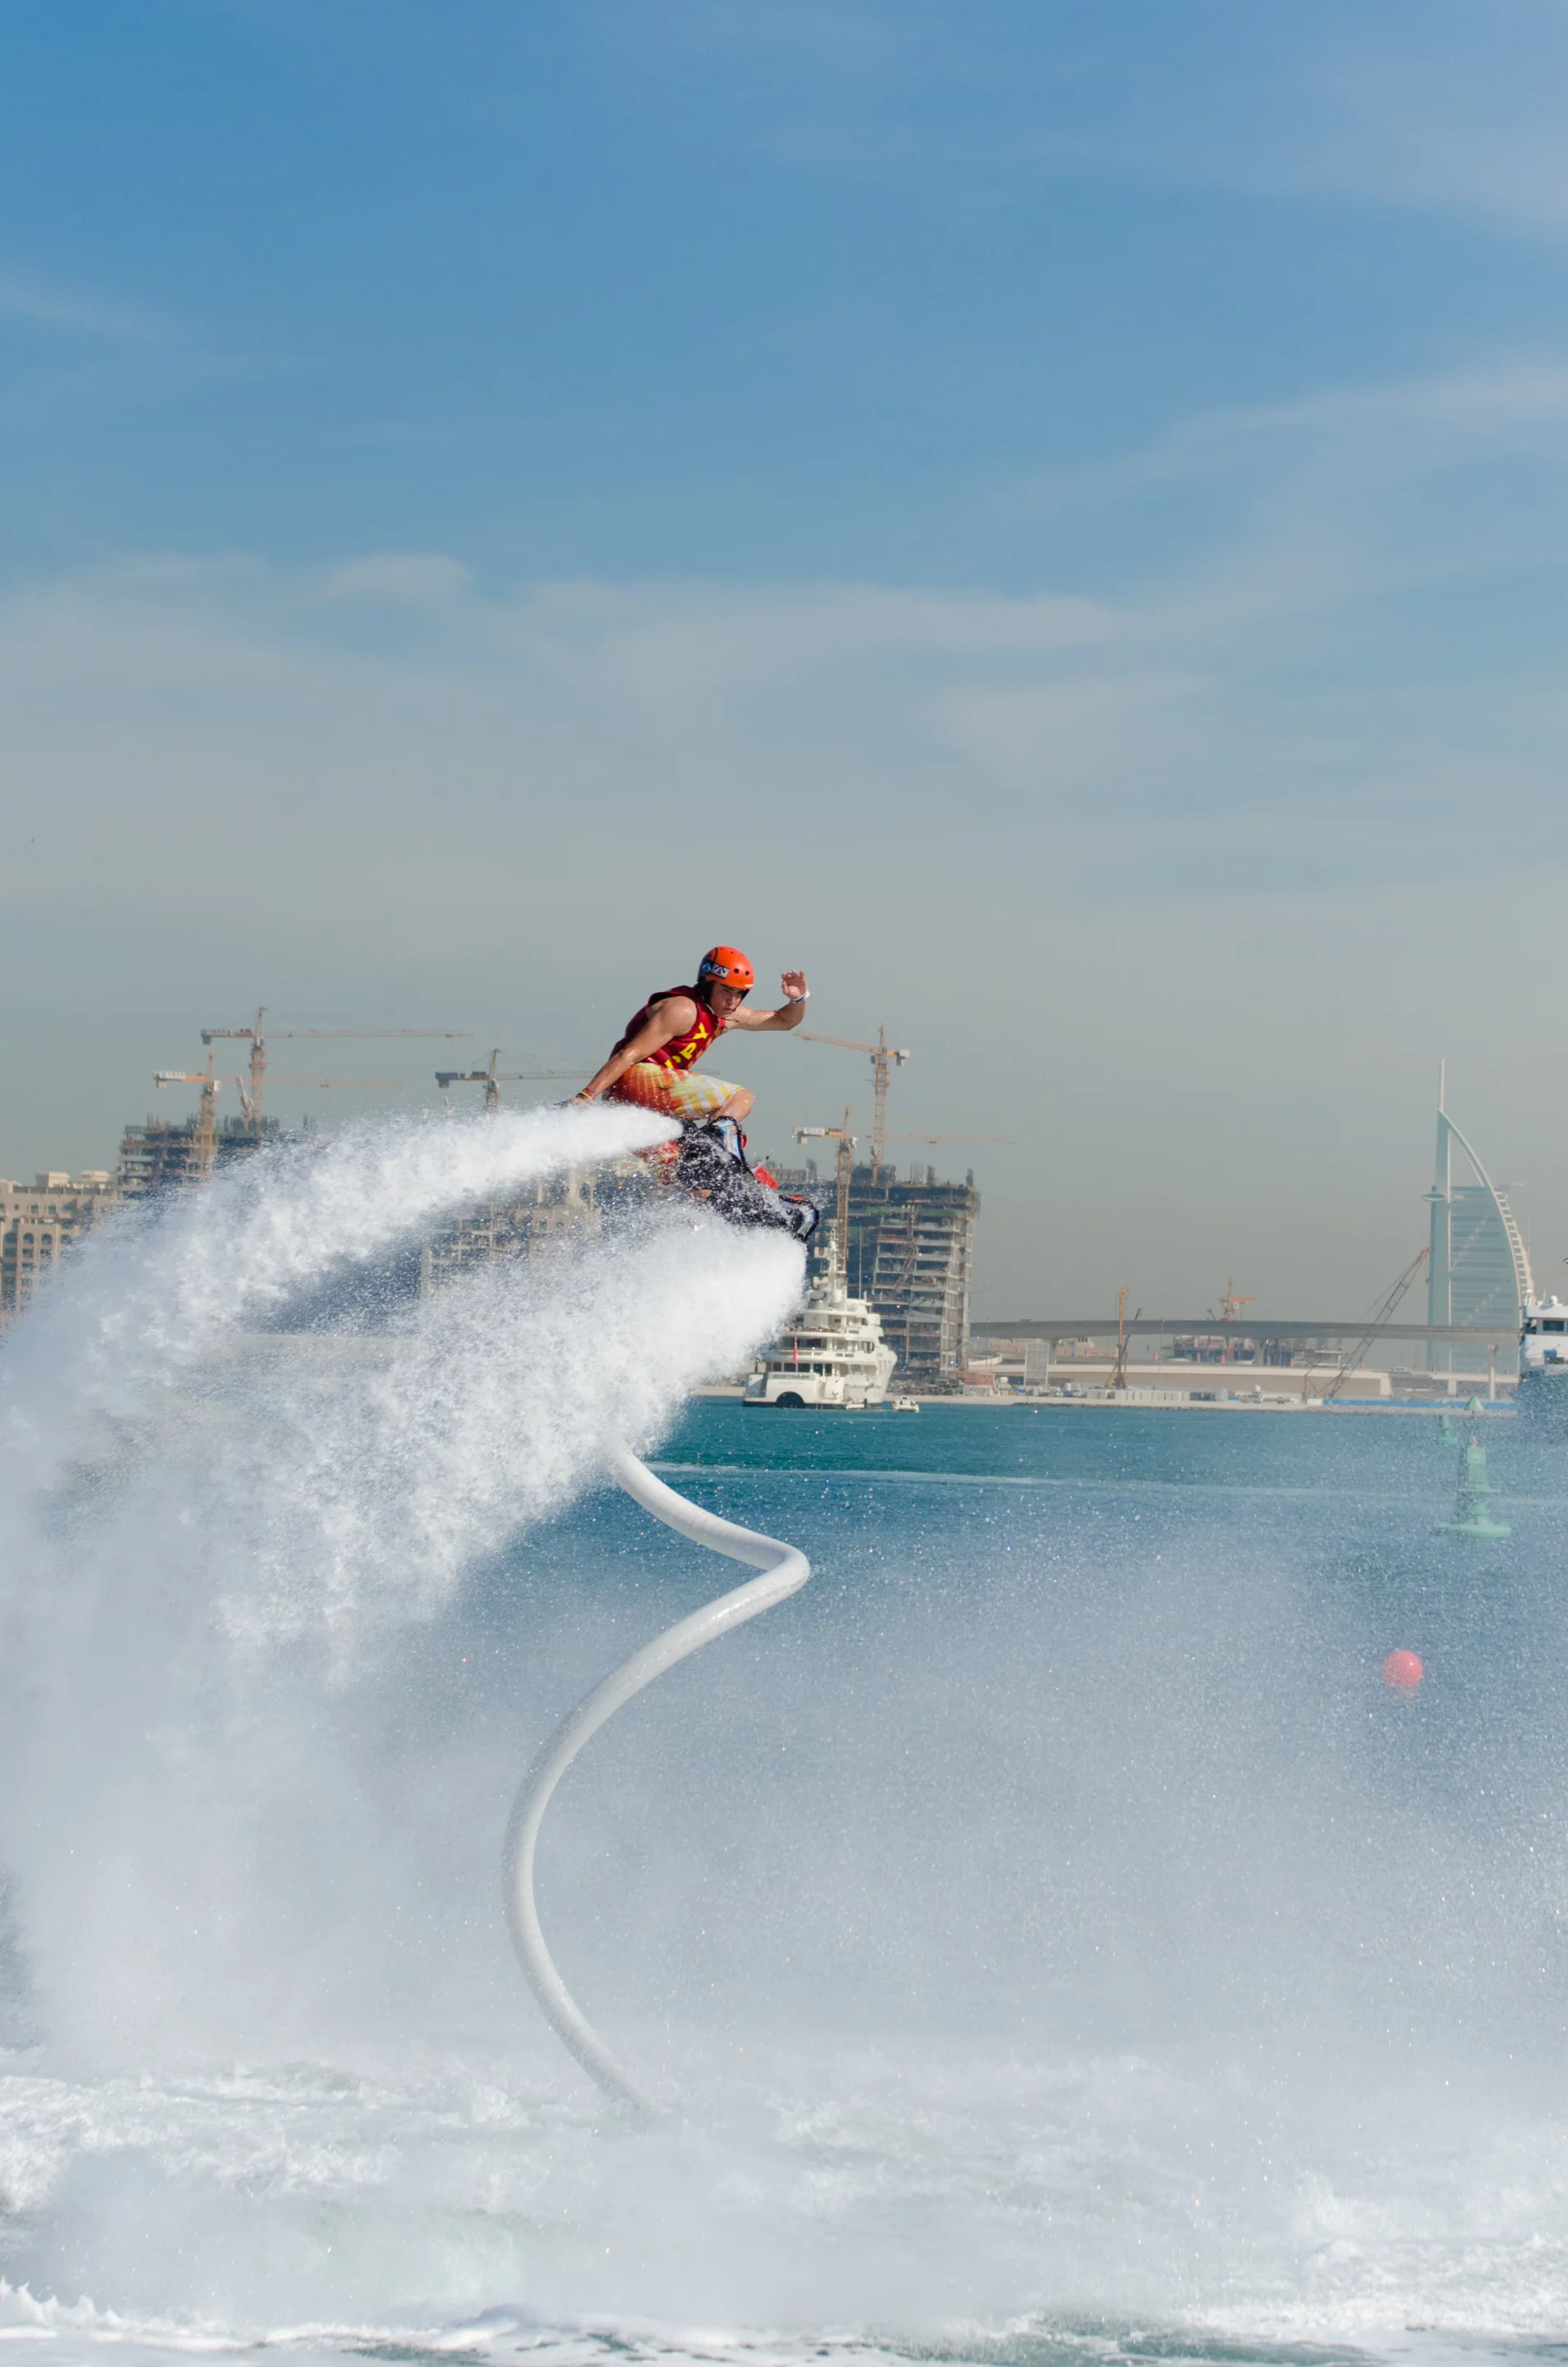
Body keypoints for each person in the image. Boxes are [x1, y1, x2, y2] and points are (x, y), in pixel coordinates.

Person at [574, 947, 809, 1128]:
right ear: (707, 986)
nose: (733, 1001)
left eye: (739, 994)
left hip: (628, 1103)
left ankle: (712, 1178)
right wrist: (586, 1096)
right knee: (741, 1098)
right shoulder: (684, 1010)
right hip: (637, 1079)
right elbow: (629, 1055)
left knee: (682, 1167)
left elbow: (784, 1021)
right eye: (726, 991)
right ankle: (715, 1145)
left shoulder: (727, 1016)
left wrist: (798, 999)